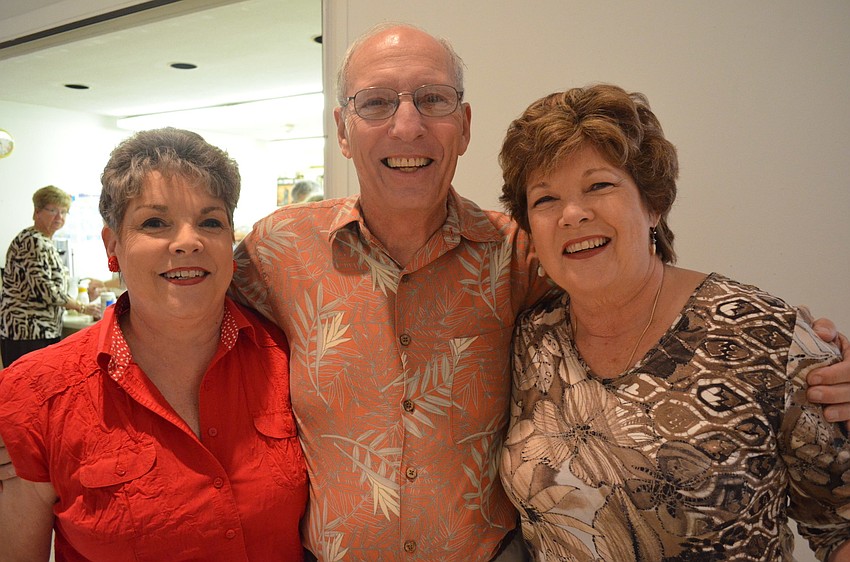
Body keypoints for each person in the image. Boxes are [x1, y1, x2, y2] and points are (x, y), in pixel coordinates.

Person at [3, 22, 850, 561]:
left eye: (432, 101)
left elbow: (626, 277)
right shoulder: (276, 250)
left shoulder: (521, 251)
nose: (406, 125)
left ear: (464, 125)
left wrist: (797, 352)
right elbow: (178, 305)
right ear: (343, 129)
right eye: (377, 103)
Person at [497, 84, 850, 561]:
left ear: (654, 204)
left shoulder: (763, 334)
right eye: (546, 199)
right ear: (530, 233)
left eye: (599, 185)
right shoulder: (528, 340)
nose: (573, 214)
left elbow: (839, 527)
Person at [0, 128, 308, 561]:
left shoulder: (289, 361)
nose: (188, 241)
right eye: (154, 222)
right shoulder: (35, 394)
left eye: (210, 221)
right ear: (113, 246)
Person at [0, 185, 98, 366]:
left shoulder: (44, 241)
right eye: (53, 210)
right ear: (37, 212)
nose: (59, 217)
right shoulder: (34, 241)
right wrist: (82, 307)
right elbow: (46, 291)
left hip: (37, 330)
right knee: (27, 392)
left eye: (64, 212)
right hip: (29, 332)